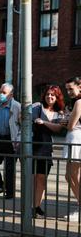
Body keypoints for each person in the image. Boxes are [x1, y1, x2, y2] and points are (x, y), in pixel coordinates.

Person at [31, 85, 65, 217]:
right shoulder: (38, 107)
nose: (49, 97)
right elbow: (33, 119)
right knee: (33, 179)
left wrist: (43, 122)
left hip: (46, 150)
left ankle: (37, 205)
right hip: (34, 148)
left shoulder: (59, 113)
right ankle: (32, 207)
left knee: (42, 179)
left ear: (57, 97)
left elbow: (58, 128)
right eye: (47, 94)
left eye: (53, 95)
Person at [64, 76, 81, 221]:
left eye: (71, 88)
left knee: (72, 176)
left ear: (79, 86)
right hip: (75, 140)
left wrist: (66, 121)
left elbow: (70, 125)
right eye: (67, 89)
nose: (68, 92)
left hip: (76, 139)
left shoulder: (79, 102)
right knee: (72, 176)